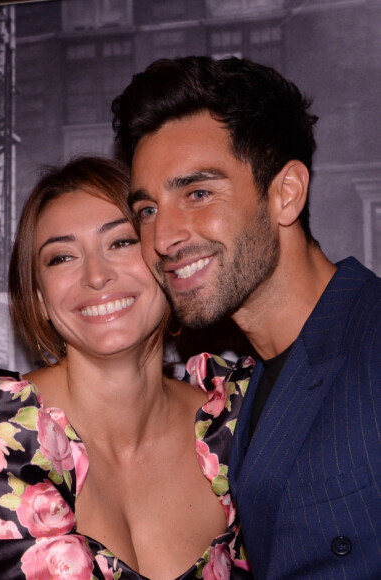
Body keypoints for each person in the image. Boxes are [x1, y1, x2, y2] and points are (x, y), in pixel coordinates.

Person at [0, 156, 254, 579]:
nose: (96, 275)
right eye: (61, 258)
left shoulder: (238, 416)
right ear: (39, 298)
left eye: (121, 242)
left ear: (169, 261)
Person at [112, 56, 381, 579]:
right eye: (147, 210)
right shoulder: (243, 389)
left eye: (198, 193)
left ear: (286, 194)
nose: (162, 238)